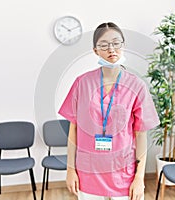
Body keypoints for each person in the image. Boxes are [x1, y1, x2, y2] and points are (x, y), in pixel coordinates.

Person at [58, 22, 159, 200]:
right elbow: (73, 130)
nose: (111, 49)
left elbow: (141, 135)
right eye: (104, 45)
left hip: (123, 173)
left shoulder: (136, 86)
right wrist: (70, 169)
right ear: (95, 50)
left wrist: (139, 177)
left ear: (123, 45)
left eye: (116, 43)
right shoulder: (82, 83)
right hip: (88, 172)